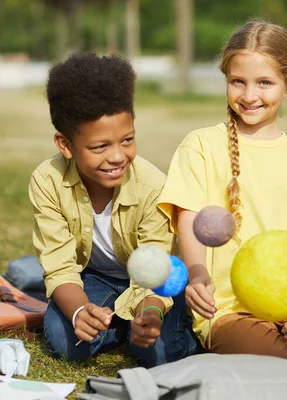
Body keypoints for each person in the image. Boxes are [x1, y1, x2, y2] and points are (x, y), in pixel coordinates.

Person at [157, 21, 287, 359]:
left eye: (265, 83)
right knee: (278, 365)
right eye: (237, 82)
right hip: (228, 310)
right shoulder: (200, 145)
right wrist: (197, 274)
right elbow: (189, 218)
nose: (249, 95)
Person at [31, 52, 199, 367]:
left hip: (154, 287)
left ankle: (149, 328)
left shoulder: (152, 187)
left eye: (127, 140)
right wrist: (81, 311)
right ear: (64, 144)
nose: (117, 156)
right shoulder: (47, 180)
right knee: (65, 341)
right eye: (99, 147)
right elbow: (60, 267)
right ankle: (115, 324)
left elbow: (157, 272)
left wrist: (149, 313)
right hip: (96, 278)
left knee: (159, 353)